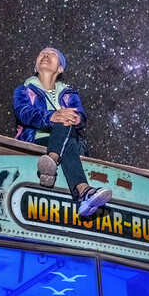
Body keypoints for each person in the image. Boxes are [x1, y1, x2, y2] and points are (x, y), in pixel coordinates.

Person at [13, 48, 112, 219]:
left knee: (66, 119)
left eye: (52, 54)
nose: (45, 55)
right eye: (41, 53)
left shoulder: (69, 93)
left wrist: (76, 119)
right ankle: (84, 192)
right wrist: (52, 116)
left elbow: (80, 116)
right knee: (63, 121)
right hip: (36, 140)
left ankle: (51, 160)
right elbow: (24, 113)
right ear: (36, 67)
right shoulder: (24, 90)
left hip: (63, 141)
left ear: (60, 69)